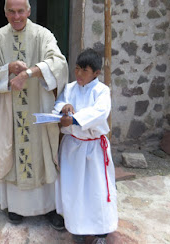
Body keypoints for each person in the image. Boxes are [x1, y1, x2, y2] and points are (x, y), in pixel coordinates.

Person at [0, 0, 68, 229]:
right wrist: (8, 68)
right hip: (10, 108)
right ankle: (16, 207)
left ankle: (50, 207)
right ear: (6, 12)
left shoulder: (43, 35)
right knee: (11, 148)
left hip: (38, 105)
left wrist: (29, 72)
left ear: (29, 11)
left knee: (42, 151)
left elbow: (59, 63)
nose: (17, 16)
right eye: (12, 11)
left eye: (21, 11)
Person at [53, 48, 118, 243]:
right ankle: (77, 227)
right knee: (74, 189)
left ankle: (101, 232)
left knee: (96, 190)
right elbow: (59, 103)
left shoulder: (102, 91)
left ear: (96, 73)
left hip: (94, 149)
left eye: (85, 70)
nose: (79, 74)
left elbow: (99, 112)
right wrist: (64, 108)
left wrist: (74, 120)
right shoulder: (71, 88)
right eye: (77, 69)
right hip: (72, 147)